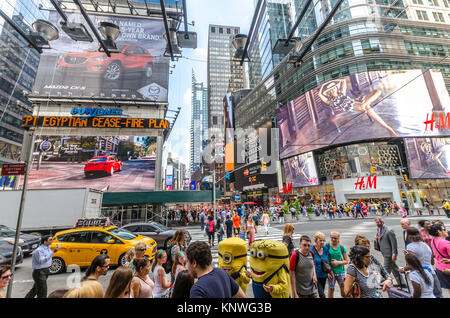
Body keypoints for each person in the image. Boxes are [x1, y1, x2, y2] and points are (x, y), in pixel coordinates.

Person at [401, 227, 442, 298]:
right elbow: (432, 262)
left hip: (420, 275)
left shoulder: (410, 247)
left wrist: (403, 269)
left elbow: (413, 263)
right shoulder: (426, 245)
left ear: (409, 237)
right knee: (437, 294)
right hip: (431, 272)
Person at [374, 217, 405, 288]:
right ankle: (402, 283)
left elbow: (394, 243)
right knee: (394, 268)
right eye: (376, 222)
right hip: (384, 252)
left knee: (385, 269)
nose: (377, 224)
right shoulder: (378, 229)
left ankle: (382, 283)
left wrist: (394, 254)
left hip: (389, 253)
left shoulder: (389, 231)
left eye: (378, 222)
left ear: (382, 222)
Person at [429, 223, 450, 293]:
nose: (446, 231)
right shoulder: (446, 243)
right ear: (439, 231)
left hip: (439, 268)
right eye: (444, 230)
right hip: (448, 269)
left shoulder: (433, 241)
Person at [326, 231, 348, 298]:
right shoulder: (327, 246)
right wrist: (328, 272)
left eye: (335, 238)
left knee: (344, 289)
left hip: (341, 272)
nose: (333, 239)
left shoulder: (341, 247)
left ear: (338, 238)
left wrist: (338, 262)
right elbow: (324, 261)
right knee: (331, 289)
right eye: (332, 238)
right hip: (331, 272)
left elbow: (346, 261)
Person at [311, 232, 333, 298]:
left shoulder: (325, 249)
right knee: (322, 295)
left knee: (321, 293)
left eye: (323, 240)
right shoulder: (312, 249)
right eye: (320, 240)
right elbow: (311, 263)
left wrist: (329, 272)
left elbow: (326, 262)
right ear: (316, 240)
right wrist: (313, 275)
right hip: (316, 276)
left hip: (324, 275)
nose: (322, 242)